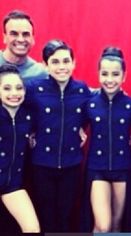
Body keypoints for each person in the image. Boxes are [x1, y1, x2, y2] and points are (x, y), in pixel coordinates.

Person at [24, 39, 91, 232]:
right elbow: (20, 111)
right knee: (45, 213)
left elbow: (96, 108)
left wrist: (81, 127)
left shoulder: (82, 89)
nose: (61, 67)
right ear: (45, 65)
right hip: (41, 164)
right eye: (55, 61)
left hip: (71, 163)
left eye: (65, 61)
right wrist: (29, 131)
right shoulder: (34, 88)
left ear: (73, 63)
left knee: (66, 214)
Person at [84, 47, 131, 232]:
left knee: (116, 225)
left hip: (123, 167)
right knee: (102, 224)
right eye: (105, 73)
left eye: (115, 74)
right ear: (98, 74)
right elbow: (68, 121)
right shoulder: (89, 102)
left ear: (124, 76)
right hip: (97, 167)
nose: (109, 79)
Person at [0, 64, 40, 232]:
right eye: (7, 88)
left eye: (19, 88)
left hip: (12, 185)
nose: (14, 93)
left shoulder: (29, 117)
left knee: (32, 228)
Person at [0, 10, 47, 80]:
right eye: (14, 34)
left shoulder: (40, 74)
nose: (20, 39)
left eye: (26, 34)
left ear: (33, 39)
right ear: (4, 37)